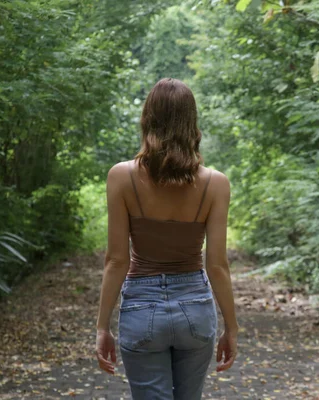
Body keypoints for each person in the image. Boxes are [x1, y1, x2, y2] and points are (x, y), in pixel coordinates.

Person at [95, 78, 238, 400]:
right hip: (195, 308)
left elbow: (117, 260)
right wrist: (231, 327)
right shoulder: (216, 184)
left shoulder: (121, 176)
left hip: (141, 309)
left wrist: (102, 327)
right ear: (192, 123)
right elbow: (216, 265)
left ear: (147, 119)